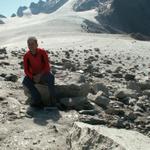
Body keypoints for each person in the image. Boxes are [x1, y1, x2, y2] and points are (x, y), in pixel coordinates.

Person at [22, 36, 56, 108]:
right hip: (33, 76)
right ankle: (37, 101)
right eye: (29, 44)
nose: (31, 46)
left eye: (32, 44)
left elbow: (47, 67)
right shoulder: (26, 56)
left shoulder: (42, 52)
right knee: (25, 81)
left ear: (37, 45)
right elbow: (26, 70)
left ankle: (53, 101)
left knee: (51, 77)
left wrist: (39, 75)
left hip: (43, 74)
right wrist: (32, 76)